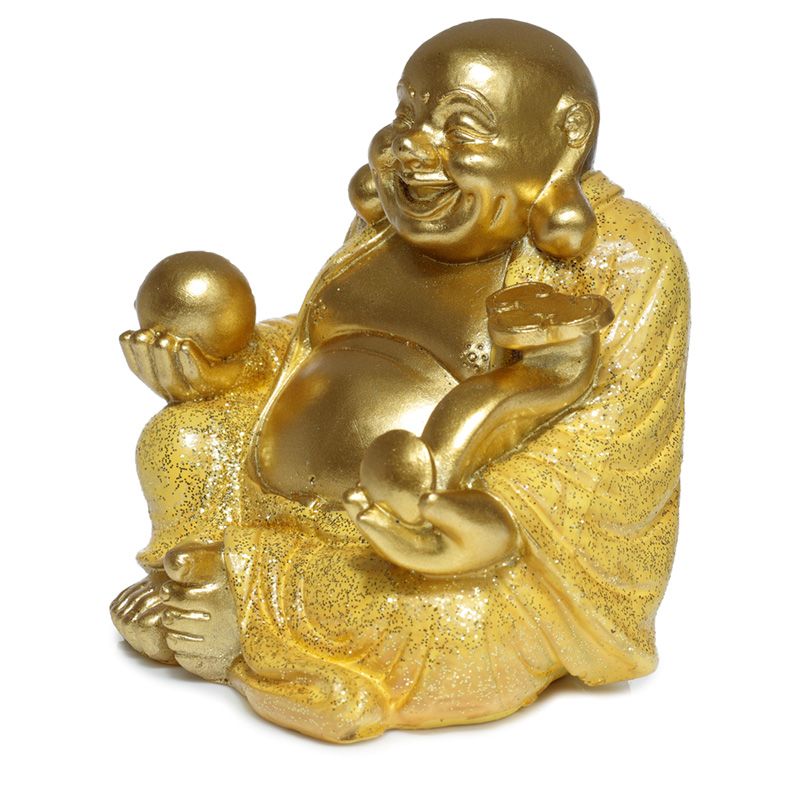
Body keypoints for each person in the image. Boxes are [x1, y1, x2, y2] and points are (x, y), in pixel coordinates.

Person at [111, 19, 689, 742]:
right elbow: (319, 340)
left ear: (566, 136)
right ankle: (217, 591)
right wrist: (229, 367)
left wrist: (459, 521)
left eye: (461, 127)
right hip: (278, 495)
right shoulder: (392, 222)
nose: (412, 148)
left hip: (433, 548)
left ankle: (243, 611)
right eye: (406, 115)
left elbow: (606, 455)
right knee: (183, 441)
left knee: (456, 629)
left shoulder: (624, 257)